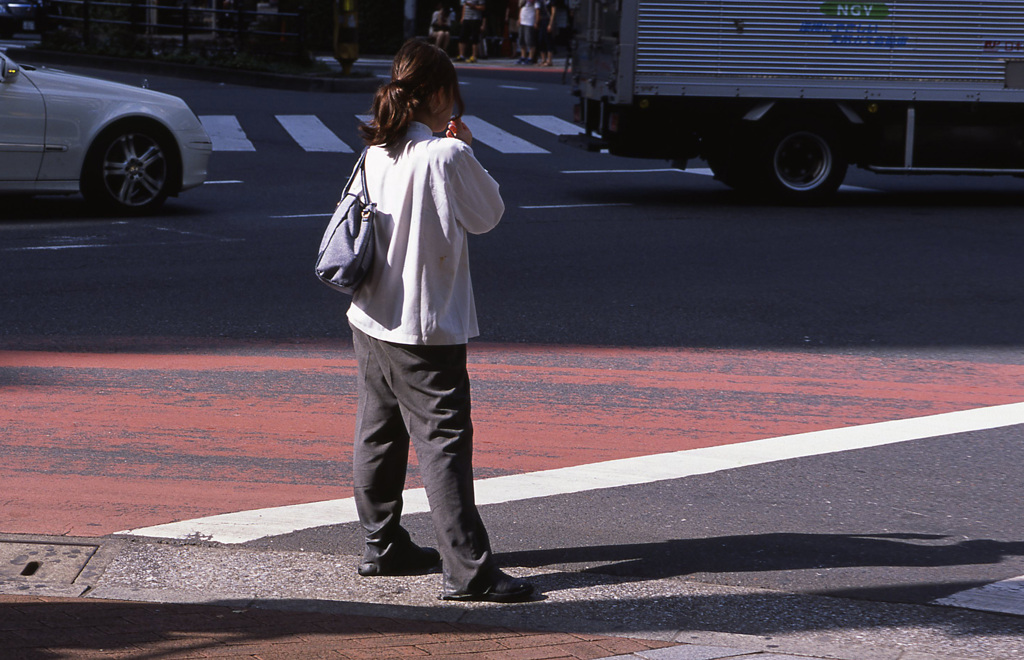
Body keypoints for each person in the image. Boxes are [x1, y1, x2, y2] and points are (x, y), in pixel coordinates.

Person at [349, 39, 535, 603]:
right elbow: (488, 216)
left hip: (369, 313)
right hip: (423, 325)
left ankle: (382, 545)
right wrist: (470, 152)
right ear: (435, 95)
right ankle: (469, 571)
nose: (457, 104)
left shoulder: (377, 149)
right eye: (452, 93)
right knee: (444, 441)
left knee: (378, 432)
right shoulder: (446, 155)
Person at [517, 0, 540, 64]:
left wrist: (536, 22)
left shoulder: (535, 2)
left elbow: (537, 10)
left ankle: (531, 57)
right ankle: (523, 56)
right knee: (521, 40)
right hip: (522, 21)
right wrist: (519, 18)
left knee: (529, 40)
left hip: (529, 21)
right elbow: (520, 8)